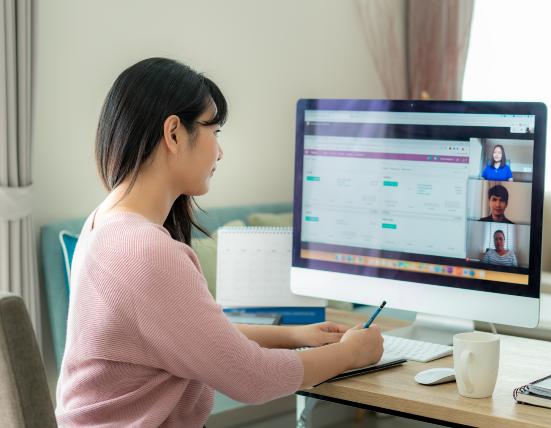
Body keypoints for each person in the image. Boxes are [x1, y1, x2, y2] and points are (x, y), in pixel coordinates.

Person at [55, 58, 383, 427]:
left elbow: (196, 336)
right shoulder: (145, 251)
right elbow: (253, 378)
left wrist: (292, 335)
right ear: (174, 133)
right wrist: (352, 354)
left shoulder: (105, 222)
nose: (220, 152)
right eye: (215, 131)